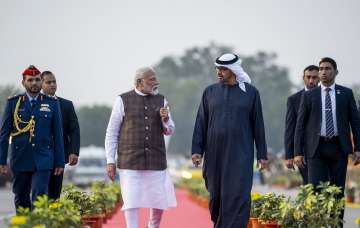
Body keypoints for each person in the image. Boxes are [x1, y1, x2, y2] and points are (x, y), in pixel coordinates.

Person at [191, 53, 268, 228]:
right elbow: (200, 123)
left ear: (234, 70)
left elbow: (258, 125)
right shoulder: (210, 92)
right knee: (217, 198)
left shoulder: (251, 93)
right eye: (218, 68)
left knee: (239, 196)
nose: (219, 72)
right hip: (215, 156)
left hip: (241, 154)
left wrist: (262, 154)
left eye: (223, 69)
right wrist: (197, 150)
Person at [105, 67, 176, 228]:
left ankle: (152, 225)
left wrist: (165, 120)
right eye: (151, 79)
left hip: (156, 160)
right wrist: (110, 160)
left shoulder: (162, 100)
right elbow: (111, 132)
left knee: (158, 200)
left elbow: (170, 130)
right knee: (131, 200)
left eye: (155, 79)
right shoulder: (122, 100)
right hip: (130, 160)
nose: (156, 82)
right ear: (139, 82)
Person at [294, 57, 360, 225]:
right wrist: (297, 153)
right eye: (321, 68)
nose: (323, 72)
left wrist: (358, 148)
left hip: (339, 148)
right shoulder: (310, 96)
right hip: (316, 150)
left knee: (337, 192)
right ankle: (318, 224)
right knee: (316, 191)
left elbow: (355, 122)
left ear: (335, 72)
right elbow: (300, 125)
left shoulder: (346, 93)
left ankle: (336, 224)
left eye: (327, 68)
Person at [0, 65, 64, 210]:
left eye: (37, 80)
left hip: (43, 158)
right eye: (30, 80)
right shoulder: (13, 103)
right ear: (23, 83)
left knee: (39, 196)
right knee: (21, 198)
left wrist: (59, 162)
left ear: (41, 82)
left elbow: (58, 135)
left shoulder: (51, 103)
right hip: (20, 157)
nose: (34, 83)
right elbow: (3, 134)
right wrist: (1, 160)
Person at [41, 70, 80, 200]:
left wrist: (74, 151)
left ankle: (53, 219)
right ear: (41, 84)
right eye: (48, 82)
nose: (52, 84)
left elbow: (74, 130)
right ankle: (38, 219)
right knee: (39, 192)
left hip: (58, 157)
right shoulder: (34, 104)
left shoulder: (66, 105)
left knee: (55, 193)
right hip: (38, 157)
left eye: (54, 82)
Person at [284, 65, 319, 184]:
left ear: (319, 78)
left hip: (324, 149)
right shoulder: (294, 99)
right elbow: (290, 128)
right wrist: (289, 155)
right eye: (308, 77)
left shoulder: (326, 97)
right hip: (303, 151)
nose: (311, 81)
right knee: (309, 184)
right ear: (303, 78)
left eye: (314, 77)